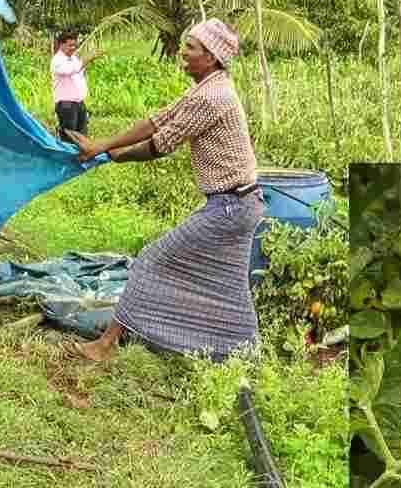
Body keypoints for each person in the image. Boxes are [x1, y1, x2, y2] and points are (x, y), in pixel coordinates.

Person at [62, 18, 264, 363]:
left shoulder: (213, 96)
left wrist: (114, 155)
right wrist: (103, 145)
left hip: (230, 208)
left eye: (191, 48)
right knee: (229, 287)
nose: (183, 53)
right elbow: (158, 119)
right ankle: (243, 357)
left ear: (212, 57)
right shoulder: (210, 86)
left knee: (149, 262)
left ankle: (106, 345)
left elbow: (161, 143)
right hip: (240, 204)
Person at [51, 30, 101, 144]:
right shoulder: (57, 60)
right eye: (70, 45)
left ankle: (81, 157)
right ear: (61, 45)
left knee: (82, 135)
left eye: (74, 45)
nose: (73, 48)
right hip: (66, 105)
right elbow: (70, 70)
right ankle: (68, 159)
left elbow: (79, 72)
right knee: (69, 136)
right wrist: (86, 60)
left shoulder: (74, 58)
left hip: (79, 103)